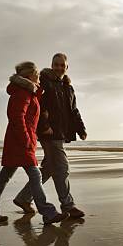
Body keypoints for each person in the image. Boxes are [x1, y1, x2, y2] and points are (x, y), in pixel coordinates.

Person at [0, 61, 68, 224]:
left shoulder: (29, 92)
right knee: (36, 175)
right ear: (29, 76)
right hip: (20, 141)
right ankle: (48, 212)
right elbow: (17, 118)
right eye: (37, 74)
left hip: (20, 140)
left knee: (5, 175)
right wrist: (27, 140)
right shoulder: (22, 93)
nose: (39, 77)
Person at [13, 53, 86, 219]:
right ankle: (68, 205)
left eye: (62, 65)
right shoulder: (44, 82)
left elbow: (73, 110)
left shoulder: (68, 87)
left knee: (49, 169)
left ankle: (23, 198)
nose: (59, 67)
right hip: (49, 133)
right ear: (52, 65)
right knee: (62, 168)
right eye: (56, 64)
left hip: (60, 133)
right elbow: (38, 106)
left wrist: (81, 129)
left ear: (66, 67)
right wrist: (44, 127)